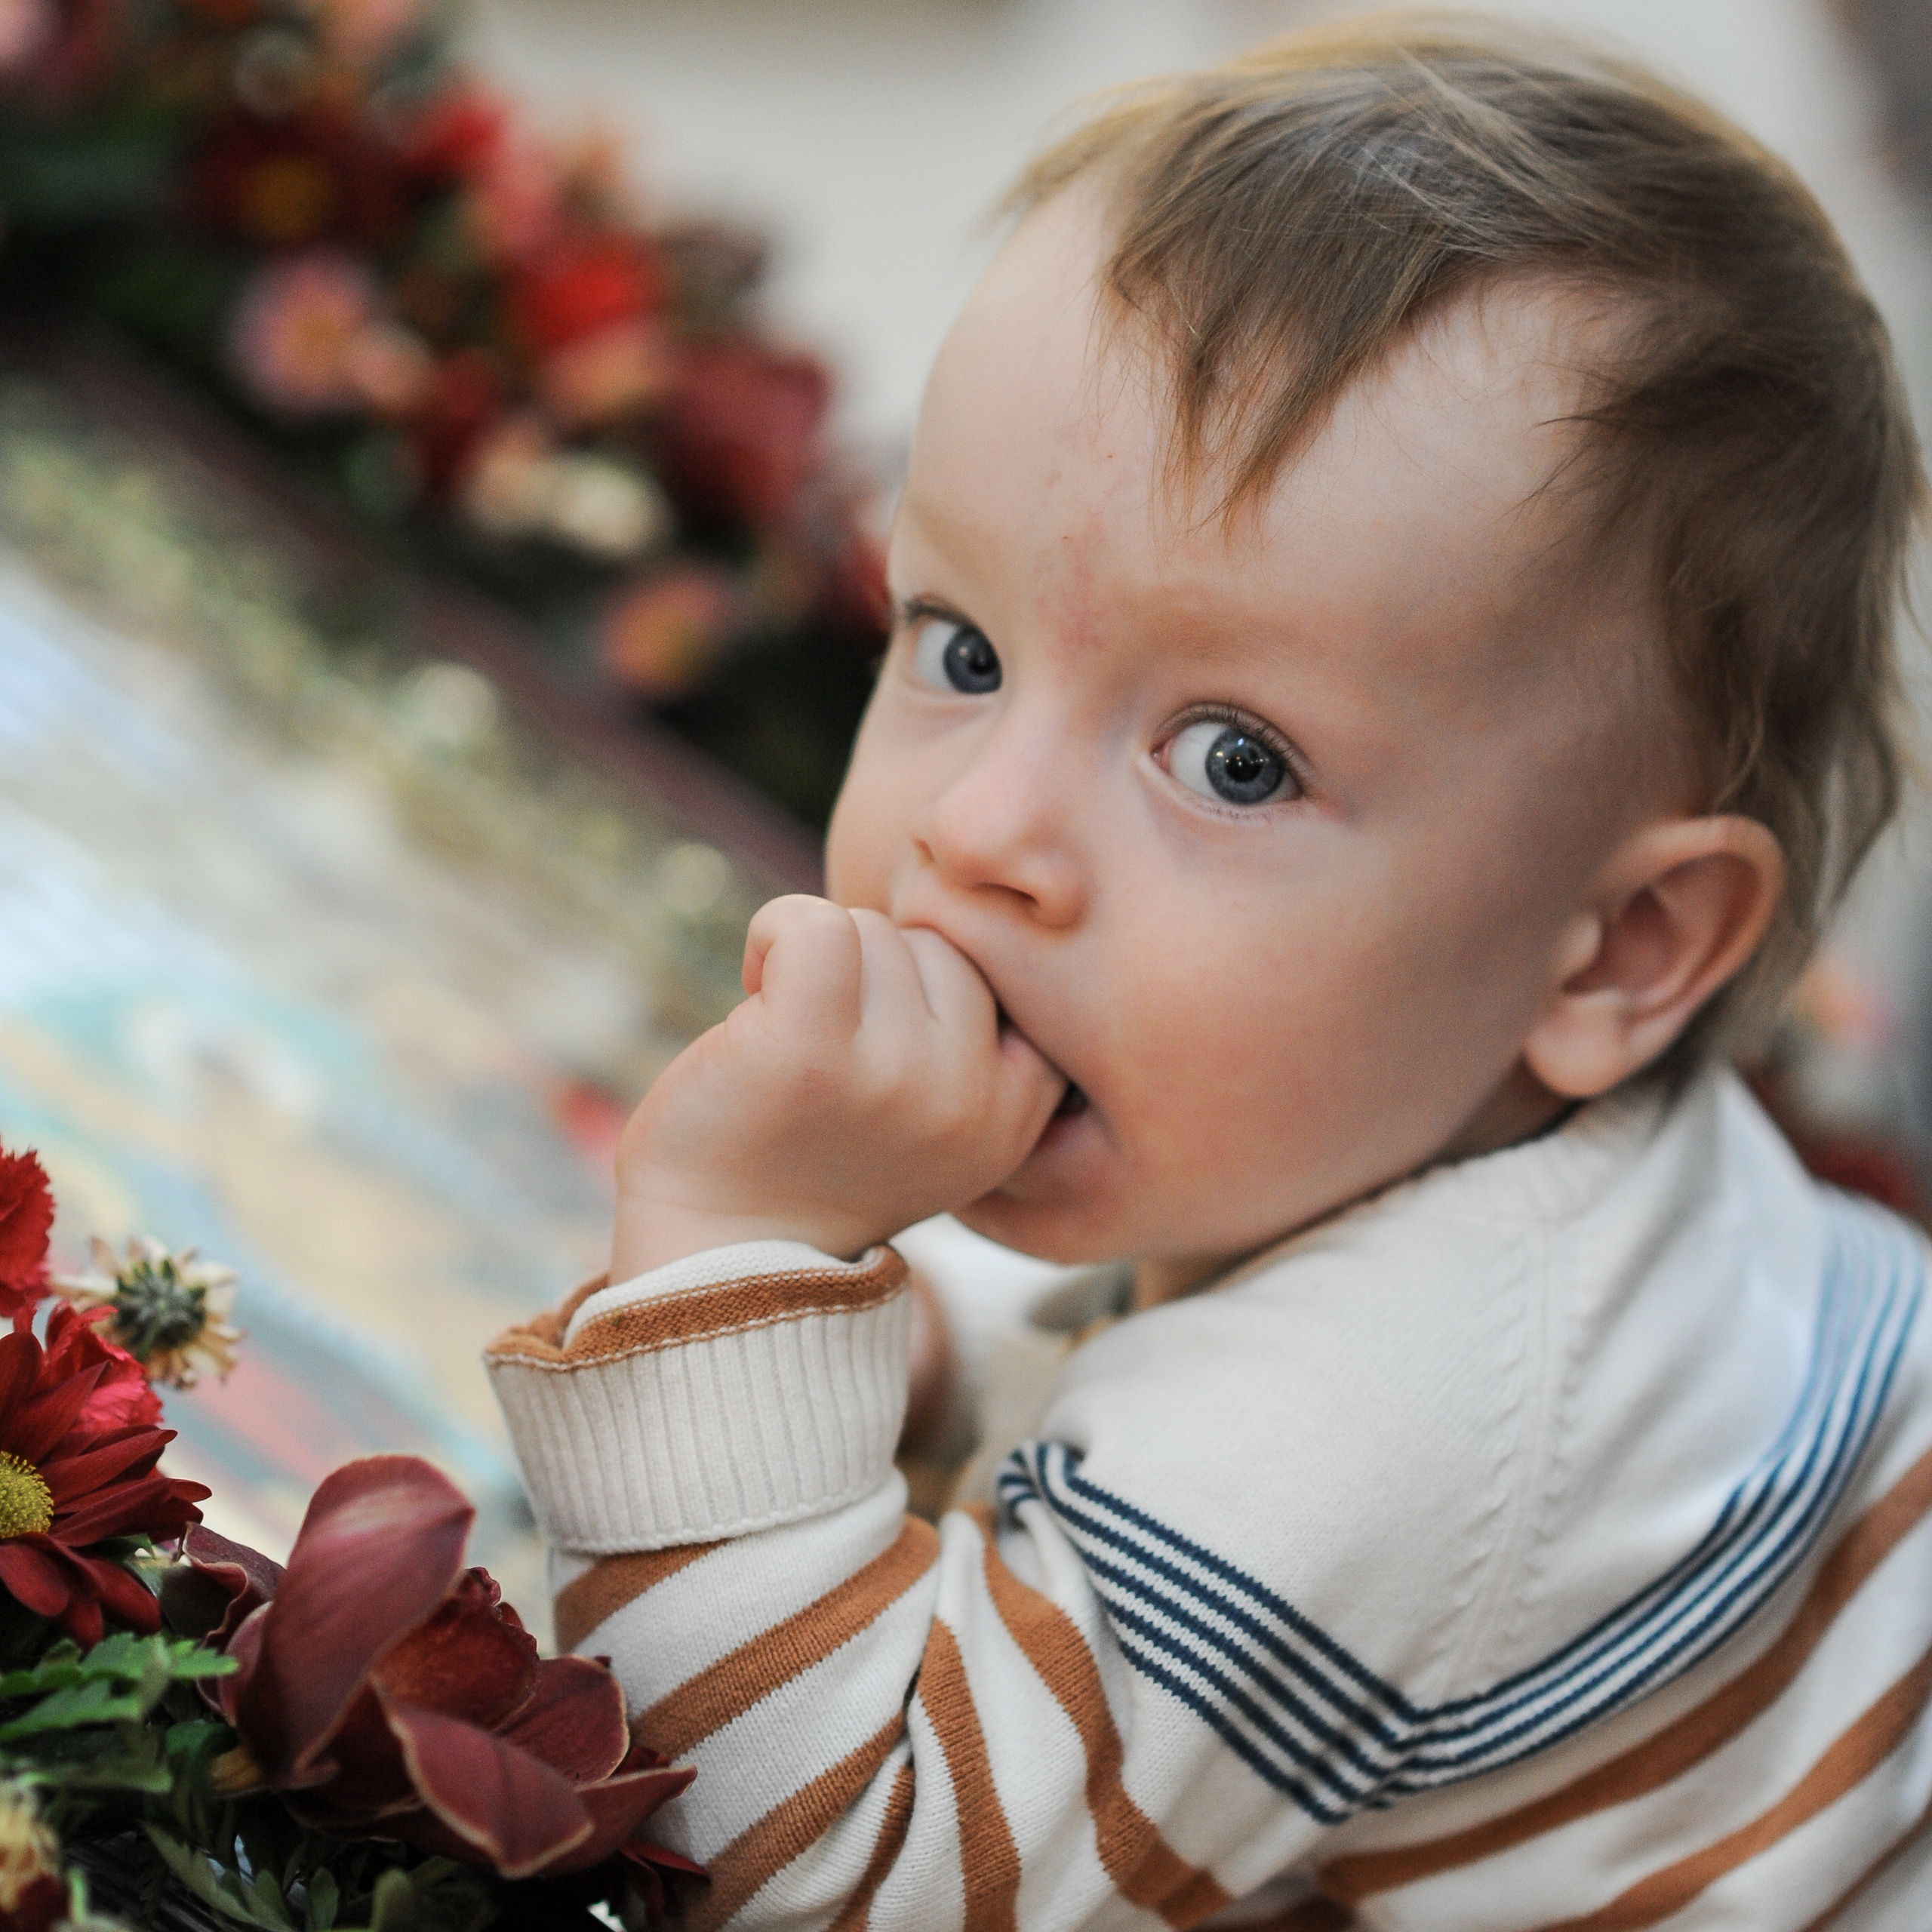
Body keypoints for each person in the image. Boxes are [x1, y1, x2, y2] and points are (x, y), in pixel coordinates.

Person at [486, 16, 1932, 1926]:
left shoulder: (1383, 1414)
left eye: (1234, 759)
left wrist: (724, 1248)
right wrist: (950, 1361)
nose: (980, 826)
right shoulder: (1428, 1172)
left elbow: (818, 1872)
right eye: (961, 644)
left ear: (1619, 951)